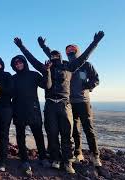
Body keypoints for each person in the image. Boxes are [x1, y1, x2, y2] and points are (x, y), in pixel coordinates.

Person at [14, 31, 104, 174]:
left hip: (64, 104)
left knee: (67, 134)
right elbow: (30, 59)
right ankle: (55, 159)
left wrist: (95, 42)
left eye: (57, 56)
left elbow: (85, 56)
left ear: (61, 57)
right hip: (50, 105)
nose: (54, 58)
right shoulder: (45, 68)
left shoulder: (69, 67)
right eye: (52, 56)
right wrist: (22, 47)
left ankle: (68, 162)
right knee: (52, 133)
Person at [10, 55, 52, 176]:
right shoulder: (13, 78)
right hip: (18, 110)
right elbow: (9, 93)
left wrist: (47, 71)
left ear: (24, 63)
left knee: (38, 135)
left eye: (20, 62)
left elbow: (47, 85)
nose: (18, 65)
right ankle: (24, 160)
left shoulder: (33, 75)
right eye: (16, 64)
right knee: (20, 137)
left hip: (33, 109)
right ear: (14, 66)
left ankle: (43, 157)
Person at [66, 44, 101, 167]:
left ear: (77, 51)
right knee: (74, 130)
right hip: (70, 102)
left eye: (72, 50)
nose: (70, 52)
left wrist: (87, 87)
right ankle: (78, 153)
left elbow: (96, 79)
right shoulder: (67, 65)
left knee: (88, 129)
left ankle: (95, 155)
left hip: (83, 101)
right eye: (68, 51)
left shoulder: (86, 65)